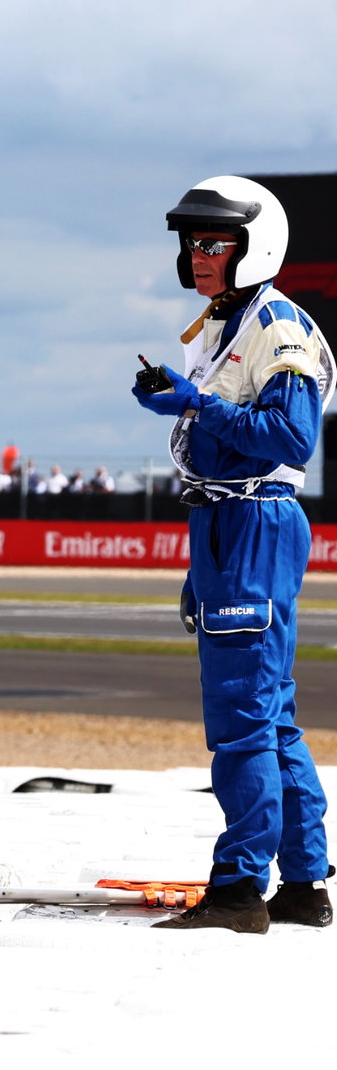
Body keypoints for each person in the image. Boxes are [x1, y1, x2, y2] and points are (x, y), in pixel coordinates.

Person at [131, 175, 335, 932]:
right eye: (192, 242)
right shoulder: (230, 323)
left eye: (215, 241)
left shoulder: (278, 327)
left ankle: (240, 889)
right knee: (272, 716)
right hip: (227, 525)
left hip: (254, 521)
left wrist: (194, 401)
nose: (199, 254)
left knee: (242, 716)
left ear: (256, 246)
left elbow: (289, 438)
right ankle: (306, 884)